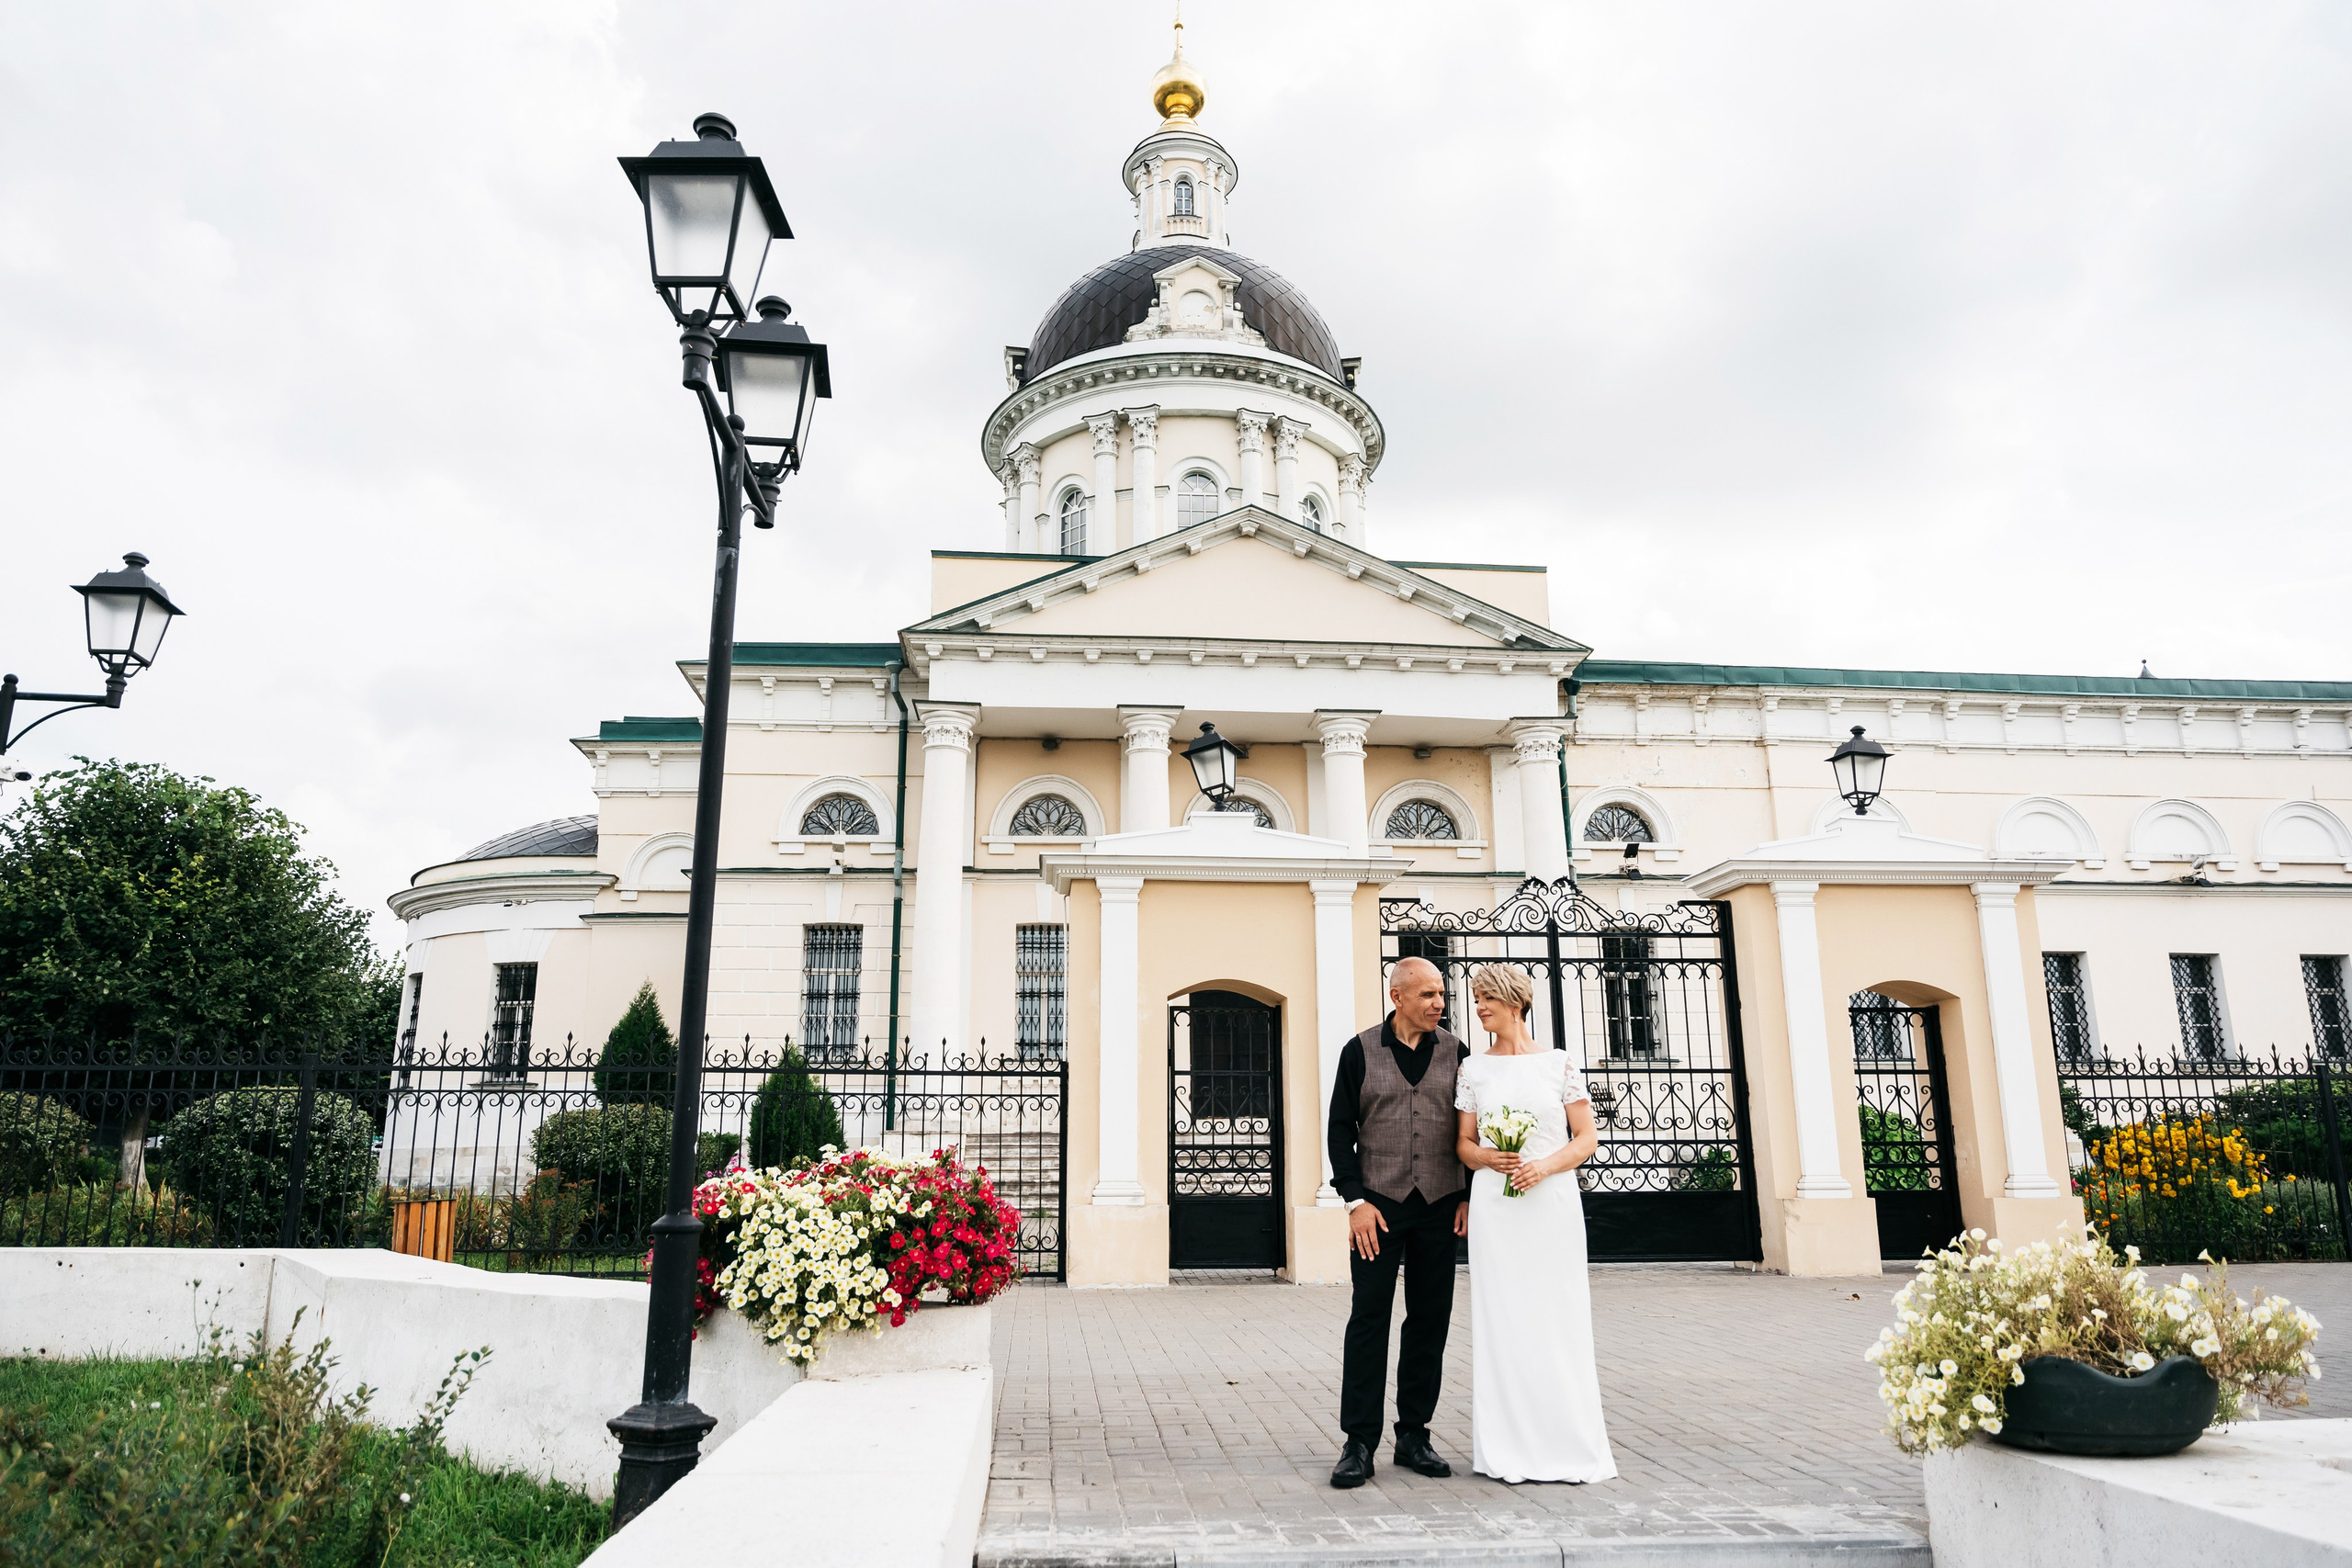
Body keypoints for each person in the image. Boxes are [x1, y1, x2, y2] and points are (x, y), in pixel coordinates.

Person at [1453, 963, 1617, 1484]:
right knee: (1503, 1319)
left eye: (1487, 1000)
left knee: (1558, 1317)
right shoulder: (1473, 1070)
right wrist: (1484, 1158)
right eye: (1476, 1000)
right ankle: (1507, 1447)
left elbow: (1586, 1138)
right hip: (1496, 1210)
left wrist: (1543, 1166)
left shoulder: (1560, 1064)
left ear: (1515, 1003)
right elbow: (1462, 1143)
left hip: (1551, 1205)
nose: (1479, 1009)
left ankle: (1568, 1444)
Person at [1324, 955, 1470, 1489]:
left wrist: (1467, 1197)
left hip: (1440, 1205)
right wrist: (1354, 1202)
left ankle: (1413, 1435)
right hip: (1378, 1210)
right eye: (1428, 994)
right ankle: (1359, 1442)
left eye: (1441, 994)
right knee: (1369, 1321)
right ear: (1398, 997)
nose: (1439, 1003)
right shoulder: (1359, 1051)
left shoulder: (1458, 1053)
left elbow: (1470, 1129)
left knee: (1429, 1321)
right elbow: (1340, 1131)